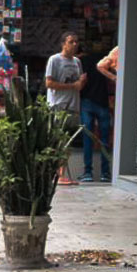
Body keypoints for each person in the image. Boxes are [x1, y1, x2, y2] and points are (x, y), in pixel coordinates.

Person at [44, 32, 85, 185]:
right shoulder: (54, 60)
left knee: (68, 142)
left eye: (76, 42)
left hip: (73, 105)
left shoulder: (77, 62)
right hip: (58, 105)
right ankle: (56, 174)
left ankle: (62, 174)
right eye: (71, 42)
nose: (75, 44)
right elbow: (49, 83)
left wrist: (80, 82)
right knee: (57, 140)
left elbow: (78, 86)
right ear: (63, 44)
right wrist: (71, 86)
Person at [79, 48, 114, 182]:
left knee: (87, 139)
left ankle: (88, 172)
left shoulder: (80, 62)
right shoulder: (105, 60)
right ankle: (105, 173)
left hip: (87, 102)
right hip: (103, 102)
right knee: (104, 140)